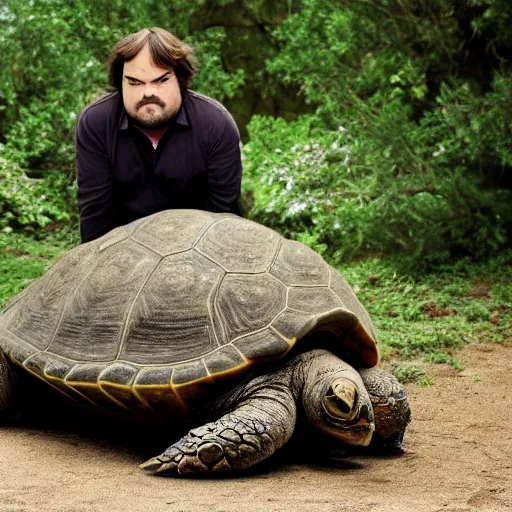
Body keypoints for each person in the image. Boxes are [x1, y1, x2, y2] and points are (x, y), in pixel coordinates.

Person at [76, 27, 242, 243]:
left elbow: (223, 219)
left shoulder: (216, 125)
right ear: (120, 83)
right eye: (134, 82)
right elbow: (95, 221)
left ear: (180, 80)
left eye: (161, 81)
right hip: (122, 254)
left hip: (200, 253)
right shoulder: (95, 124)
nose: (147, 93)